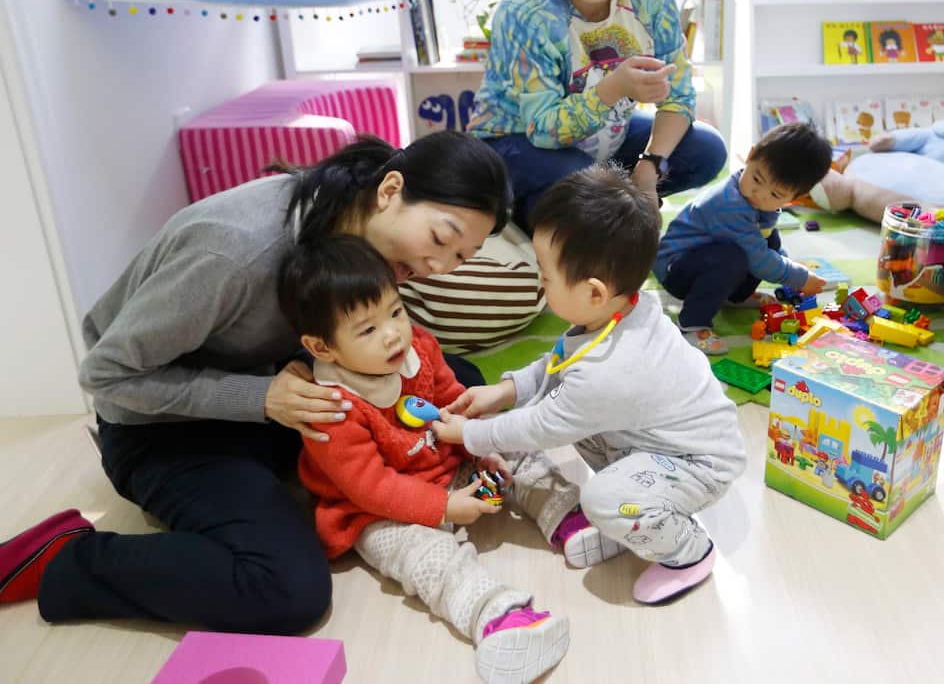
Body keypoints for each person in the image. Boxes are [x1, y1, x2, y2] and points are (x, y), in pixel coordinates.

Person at [0, 132, 509, 633]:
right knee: (287, 589)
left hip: (270, 394)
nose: (437, 267)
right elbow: (106, 375)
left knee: (458, 381)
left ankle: (332, 486)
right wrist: (262, 396)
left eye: (461, 257)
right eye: (440, 239)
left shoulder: (356, 222)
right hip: (162, 428)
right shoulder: (235, 252)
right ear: (391, 190)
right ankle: (67, 558)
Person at [431, 166, 746, 604]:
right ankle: (634, 512)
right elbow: (558, 364)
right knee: (573, 416)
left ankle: (687, 550)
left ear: (594, 291)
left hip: (700, 464)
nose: (539, 285)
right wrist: (504, 391)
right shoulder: (619, 309)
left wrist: (469, 434)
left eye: (545, 277)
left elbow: (541, 427)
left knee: (602, 496)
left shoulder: (613, 370)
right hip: (662, 442)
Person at [278, 235, 573, 684]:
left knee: (505, 433)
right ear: (322, 348)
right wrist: (442, 509)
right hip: (377, 512)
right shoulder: (332, 408)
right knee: (424, 554)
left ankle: (565, 515)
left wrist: (480, 441)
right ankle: (495, 617)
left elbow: (452, 399)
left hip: (445, 465)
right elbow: (370, 487)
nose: (393, 332)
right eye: (368, 329)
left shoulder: (419, 346)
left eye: (394, 311)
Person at [467, 0, 726, 232]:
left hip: (604, 136)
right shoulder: (527, 10)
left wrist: (650, 167)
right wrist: (615, 87)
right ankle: (557, 208)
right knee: (576, 178)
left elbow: (679, 97)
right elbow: (542, 129)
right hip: (514, 142)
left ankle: (599, 203)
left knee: (706, 148)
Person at [655, 122, 831, 354]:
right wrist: (797, 277)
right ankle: (692, 323)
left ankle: (734, 295)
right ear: (750, 156)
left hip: (707, 258)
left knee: (769, 240)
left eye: (775, 194)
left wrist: (787, 265)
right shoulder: (730, 205)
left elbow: (764, 247)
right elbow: (757, 259)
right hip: (676, 269)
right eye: (757, 179)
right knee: (734, 257)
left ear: (795, 198)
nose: (759, 194)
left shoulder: (756, 202)